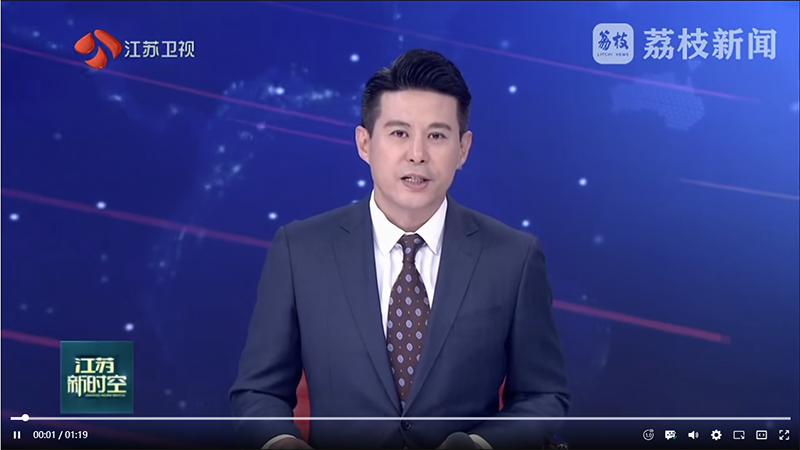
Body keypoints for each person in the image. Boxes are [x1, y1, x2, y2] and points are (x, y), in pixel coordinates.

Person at [229, 48, 570, 449]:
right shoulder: (299, 251)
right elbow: (258, 392)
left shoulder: (514, 257)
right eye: (399, 133)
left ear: (463, 149)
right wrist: (279, 442)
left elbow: (542, 396)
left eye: (437, 136)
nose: (417, 154)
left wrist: (481, 445)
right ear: (364, 143)